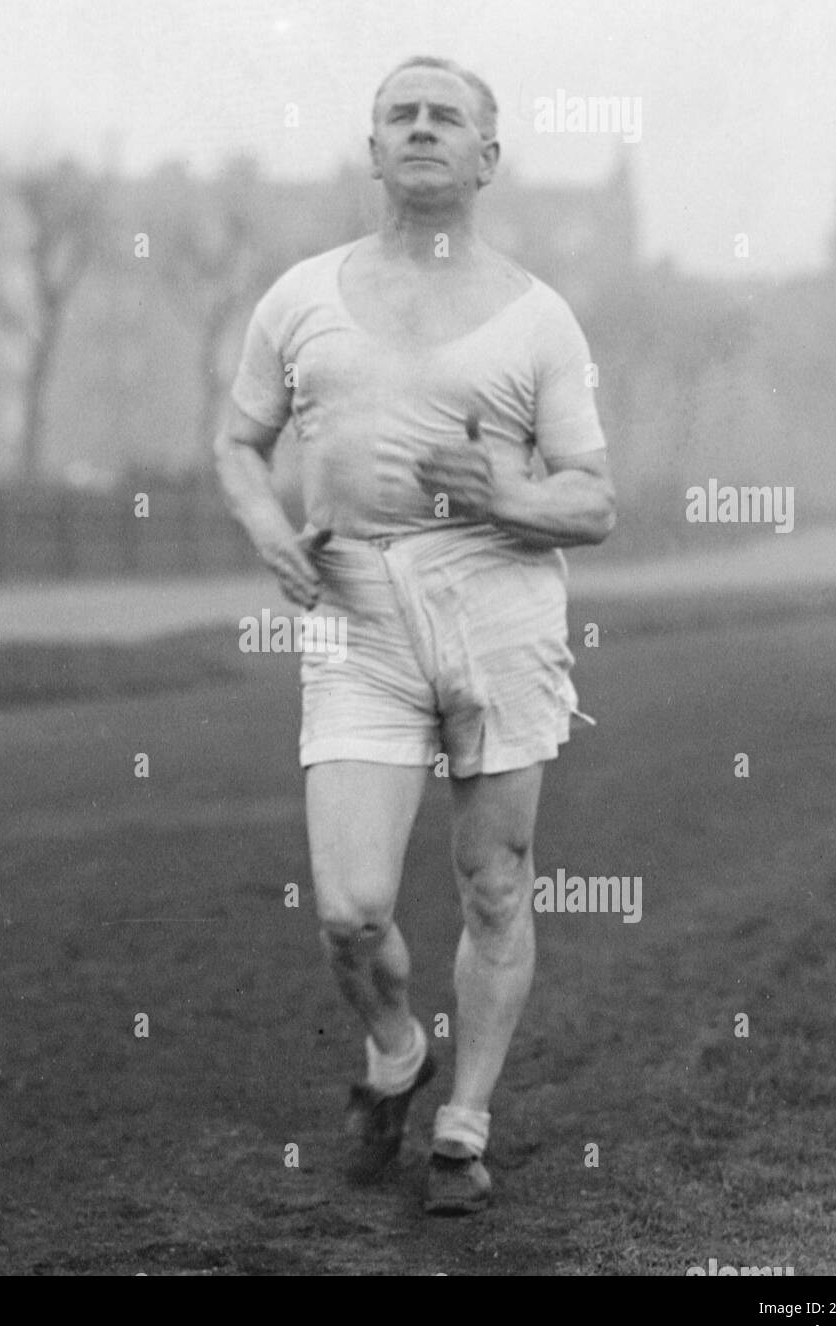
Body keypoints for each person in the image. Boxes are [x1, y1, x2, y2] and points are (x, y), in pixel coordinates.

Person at [214, 55, 616, 1214]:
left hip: (495, 605)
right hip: (354, 611)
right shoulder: (300, 297)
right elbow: (239, 444)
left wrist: (503, 496)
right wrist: (265, 527)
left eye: (449, 118)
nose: (423, 129)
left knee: (495, 883)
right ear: (372, 147)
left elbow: (592, 500)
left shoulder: (539, 318)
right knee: (349, 908)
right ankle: (396, 1048)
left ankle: (462, 1126)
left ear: (488, 158)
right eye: (403, 115)